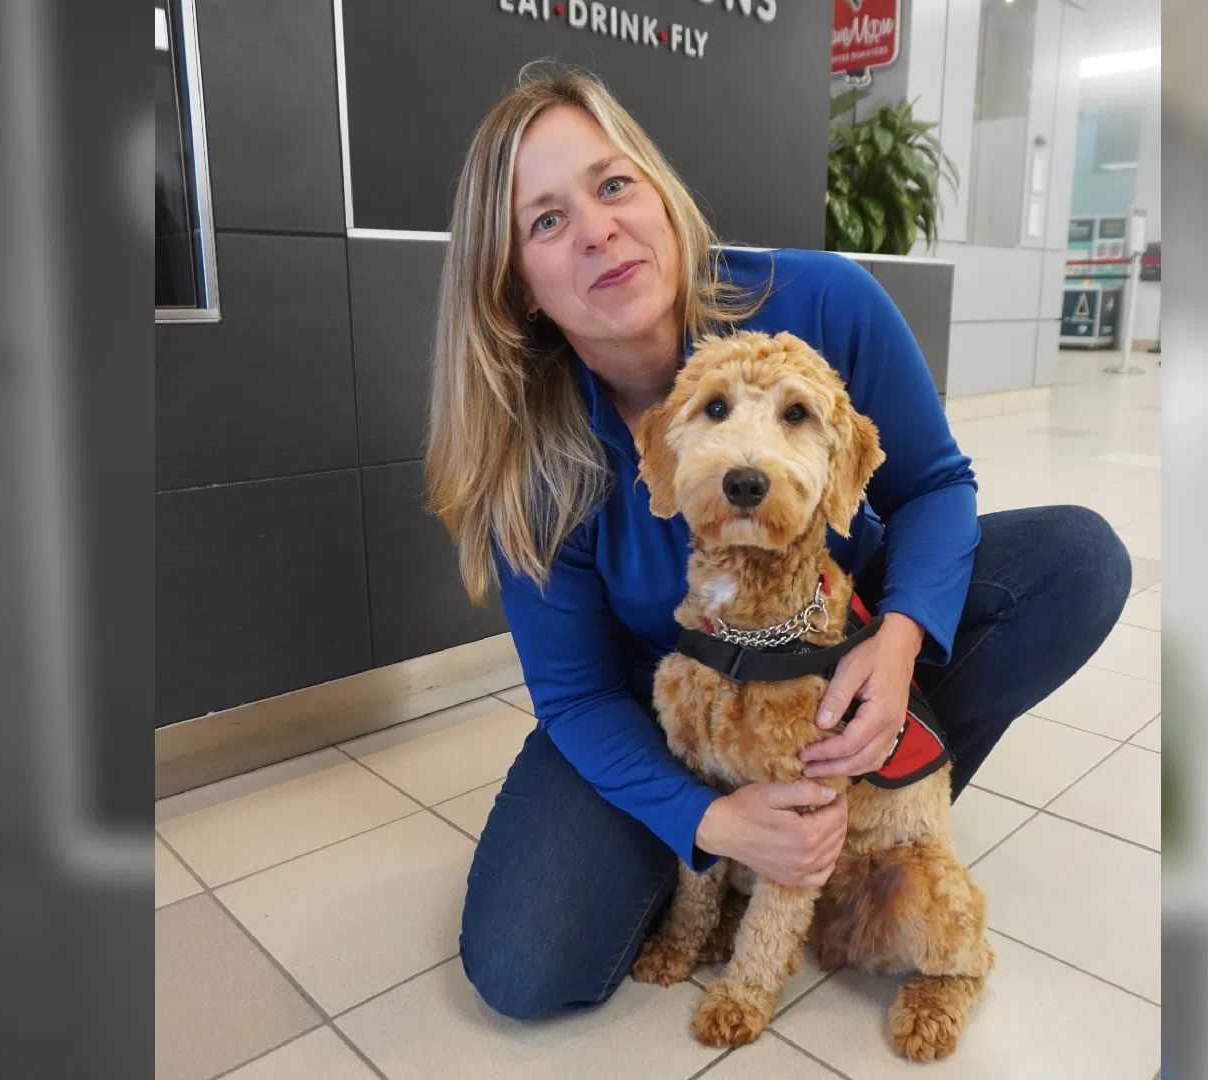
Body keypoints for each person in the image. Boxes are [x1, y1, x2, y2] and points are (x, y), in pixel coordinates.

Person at [425, 70, 1130, 1020]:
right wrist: (708, 817)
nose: (595, 228)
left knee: (1078, 562)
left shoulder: (824, 298)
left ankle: (869, 803)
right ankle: (747, 841)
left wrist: (900, 642)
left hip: (833, 627)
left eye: (612, 184)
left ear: (661, 194)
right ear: (517, 283)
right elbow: (577, 693)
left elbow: (932, 485)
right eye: (545, 222)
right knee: (526, 966)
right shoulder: (530, 457)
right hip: (658, 704)